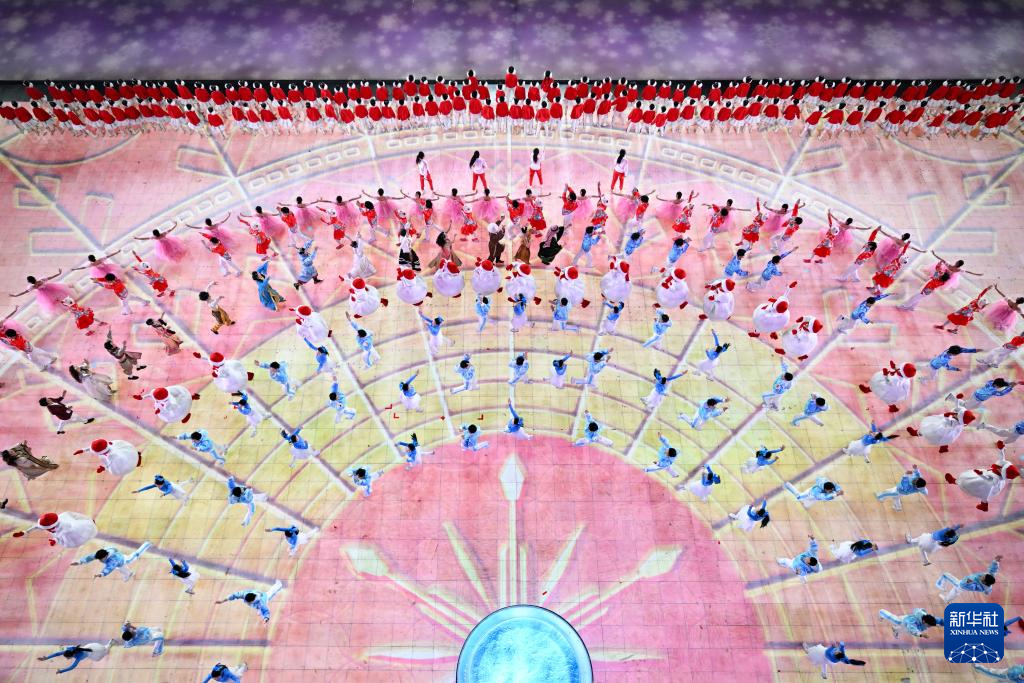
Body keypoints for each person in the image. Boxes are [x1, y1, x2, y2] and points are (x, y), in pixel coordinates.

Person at [70, 541, 152, 581]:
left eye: (100, 559)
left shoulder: (113, 560)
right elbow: (91, 556)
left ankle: (147, 544)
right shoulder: (102, 554)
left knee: (135, 555)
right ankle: (129, 574)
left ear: (105, 556)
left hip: (123, 560)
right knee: (121, 569)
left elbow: (109, 568)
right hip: (118, 561)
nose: (99, 560)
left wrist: (101, 574)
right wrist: (79, 562)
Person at [936, 556, 1001, 602]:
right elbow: (992, 571)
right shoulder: (988, 585)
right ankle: (946, 600)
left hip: (961, 585)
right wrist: (995, 562)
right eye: (984, 575)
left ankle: (941, 586)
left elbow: (968, 584)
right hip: (964, 587)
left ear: (984, 582)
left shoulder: (975, 583)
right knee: (955, 593)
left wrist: (967, 581)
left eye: (983, 577)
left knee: (945, 575)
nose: (982, 575)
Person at [216, 580, 284, 623]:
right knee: (259, 610)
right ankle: (259, 611)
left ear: (252, 601)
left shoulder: (261, 602)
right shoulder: (243, 594)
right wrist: (222, 601)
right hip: (257, 601)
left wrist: (266, 618)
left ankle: (279, 585)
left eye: (248, 602)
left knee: (271, 592)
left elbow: (266, 611)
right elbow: (233, 596)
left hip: (265, 598)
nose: (247, 602)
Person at [37, 641, 114, 674]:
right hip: (91, 646)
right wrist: (46, 658)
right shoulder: (69, 649)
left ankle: (110, 643)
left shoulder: (78, 656)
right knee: (103, 652)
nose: (67, 659)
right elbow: (57, 653)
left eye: (67, 658)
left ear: (71, 656)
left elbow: (72, 667)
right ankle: (108, 645)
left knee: (100, 656)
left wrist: (61, 671)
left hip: (95, 650)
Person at [878, 608, 944, 640]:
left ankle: (896, 630)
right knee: (894, 619)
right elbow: (913, 630)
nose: (929, 626)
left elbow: (941, 621)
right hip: (903, 621)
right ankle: (882, 612)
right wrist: (921, 635)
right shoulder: (913, 622)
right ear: (924, 621)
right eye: (929, 625)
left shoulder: (931, 619)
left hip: (912, 625)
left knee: (905, 630)